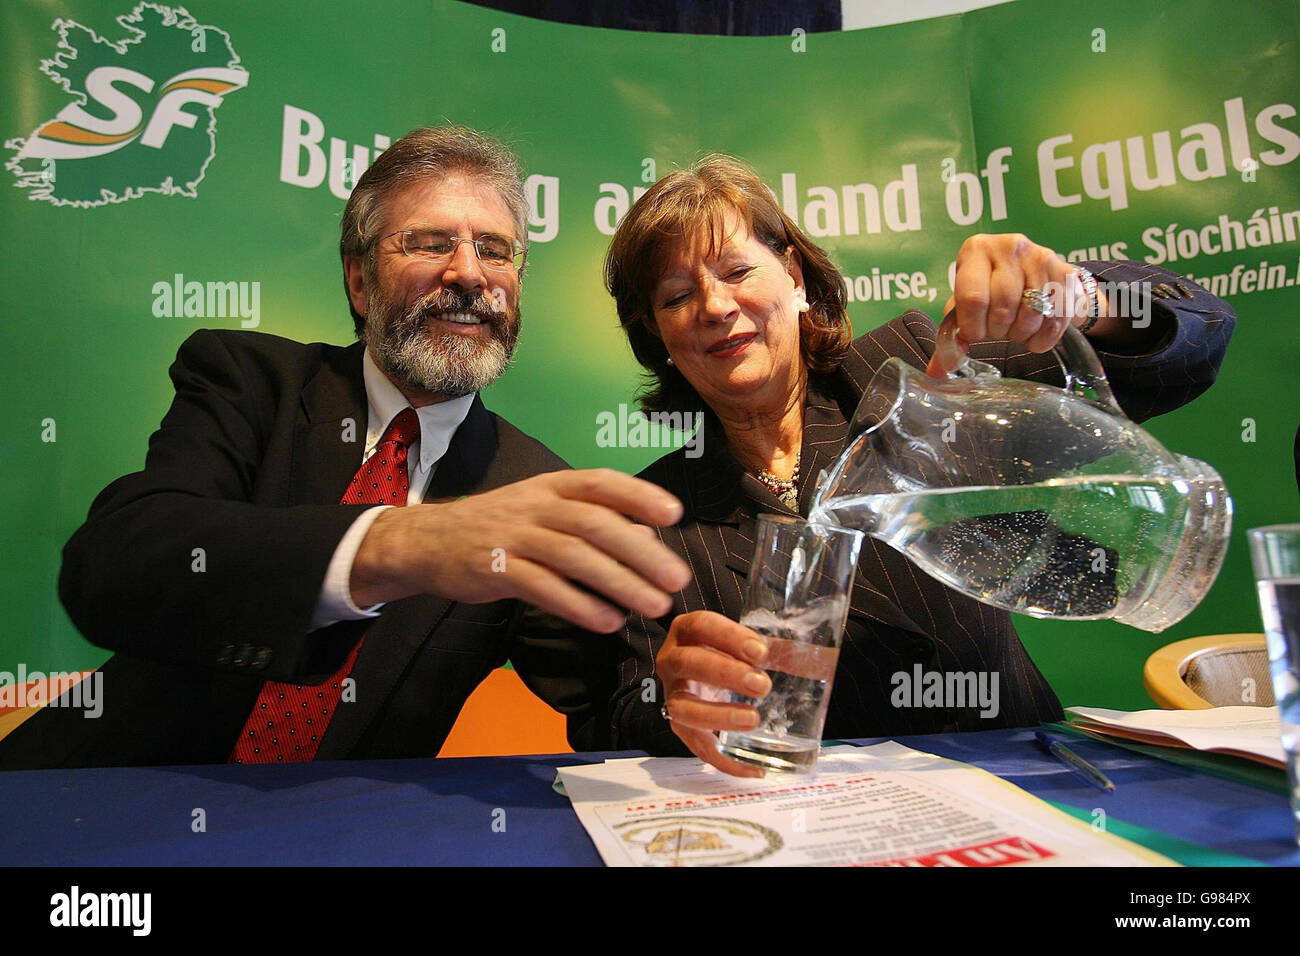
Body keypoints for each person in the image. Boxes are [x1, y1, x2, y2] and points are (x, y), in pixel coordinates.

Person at [0, 125, 691, 770]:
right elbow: (114, 567)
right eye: (429, 243)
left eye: (495, 249)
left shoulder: (528, 485)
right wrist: (395, 544)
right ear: (361, 282)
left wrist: (681, 694)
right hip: (88, 807)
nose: (470, 274)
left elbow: (609, 702)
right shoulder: (250, 383)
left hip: (326, 840)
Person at [602, 154, 1236, 776]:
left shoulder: (921, 375)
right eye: (678, 296)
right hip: (811, 819)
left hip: (1020, 780)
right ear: (659, 334)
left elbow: (1196, 336)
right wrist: (677, 699)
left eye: (737, 269)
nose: (714, 307)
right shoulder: (653, 517)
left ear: (794, 277)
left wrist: (1079, 303)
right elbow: (623, 717)